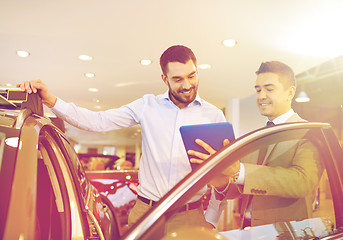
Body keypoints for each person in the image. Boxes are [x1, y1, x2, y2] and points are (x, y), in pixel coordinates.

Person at [18, 45, 227, 231]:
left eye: (192, 76)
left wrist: (212, 218)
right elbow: (97, 121)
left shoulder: (214, 116)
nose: (187, 85)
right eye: (178, 79)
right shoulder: (147, 105)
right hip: (146, 214)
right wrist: (52, 101)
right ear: (164, 79)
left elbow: (223, 172)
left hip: (189, 217)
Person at [188, 61, 324, 228]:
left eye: (269, 89)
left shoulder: (308, 132)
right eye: (258, 90)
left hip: (285, 233)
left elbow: (302, 182)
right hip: (249, 229)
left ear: (290, 92)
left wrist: (239, 170)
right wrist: (219, 178)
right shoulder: (257, 136)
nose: (260, 96)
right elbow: (241, 188)